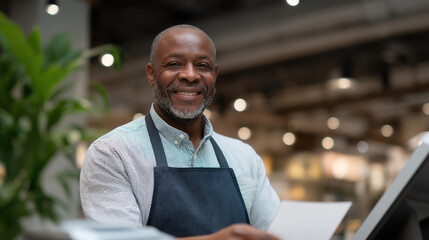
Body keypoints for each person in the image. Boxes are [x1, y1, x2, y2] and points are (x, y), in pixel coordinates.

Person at [80, 24, 281, 240]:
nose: (190, 75)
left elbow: (278, 233)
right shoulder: (113, 153)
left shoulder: (244, 157)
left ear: (214, 74)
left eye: (202, 65)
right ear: (151, 73)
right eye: (174, 64)